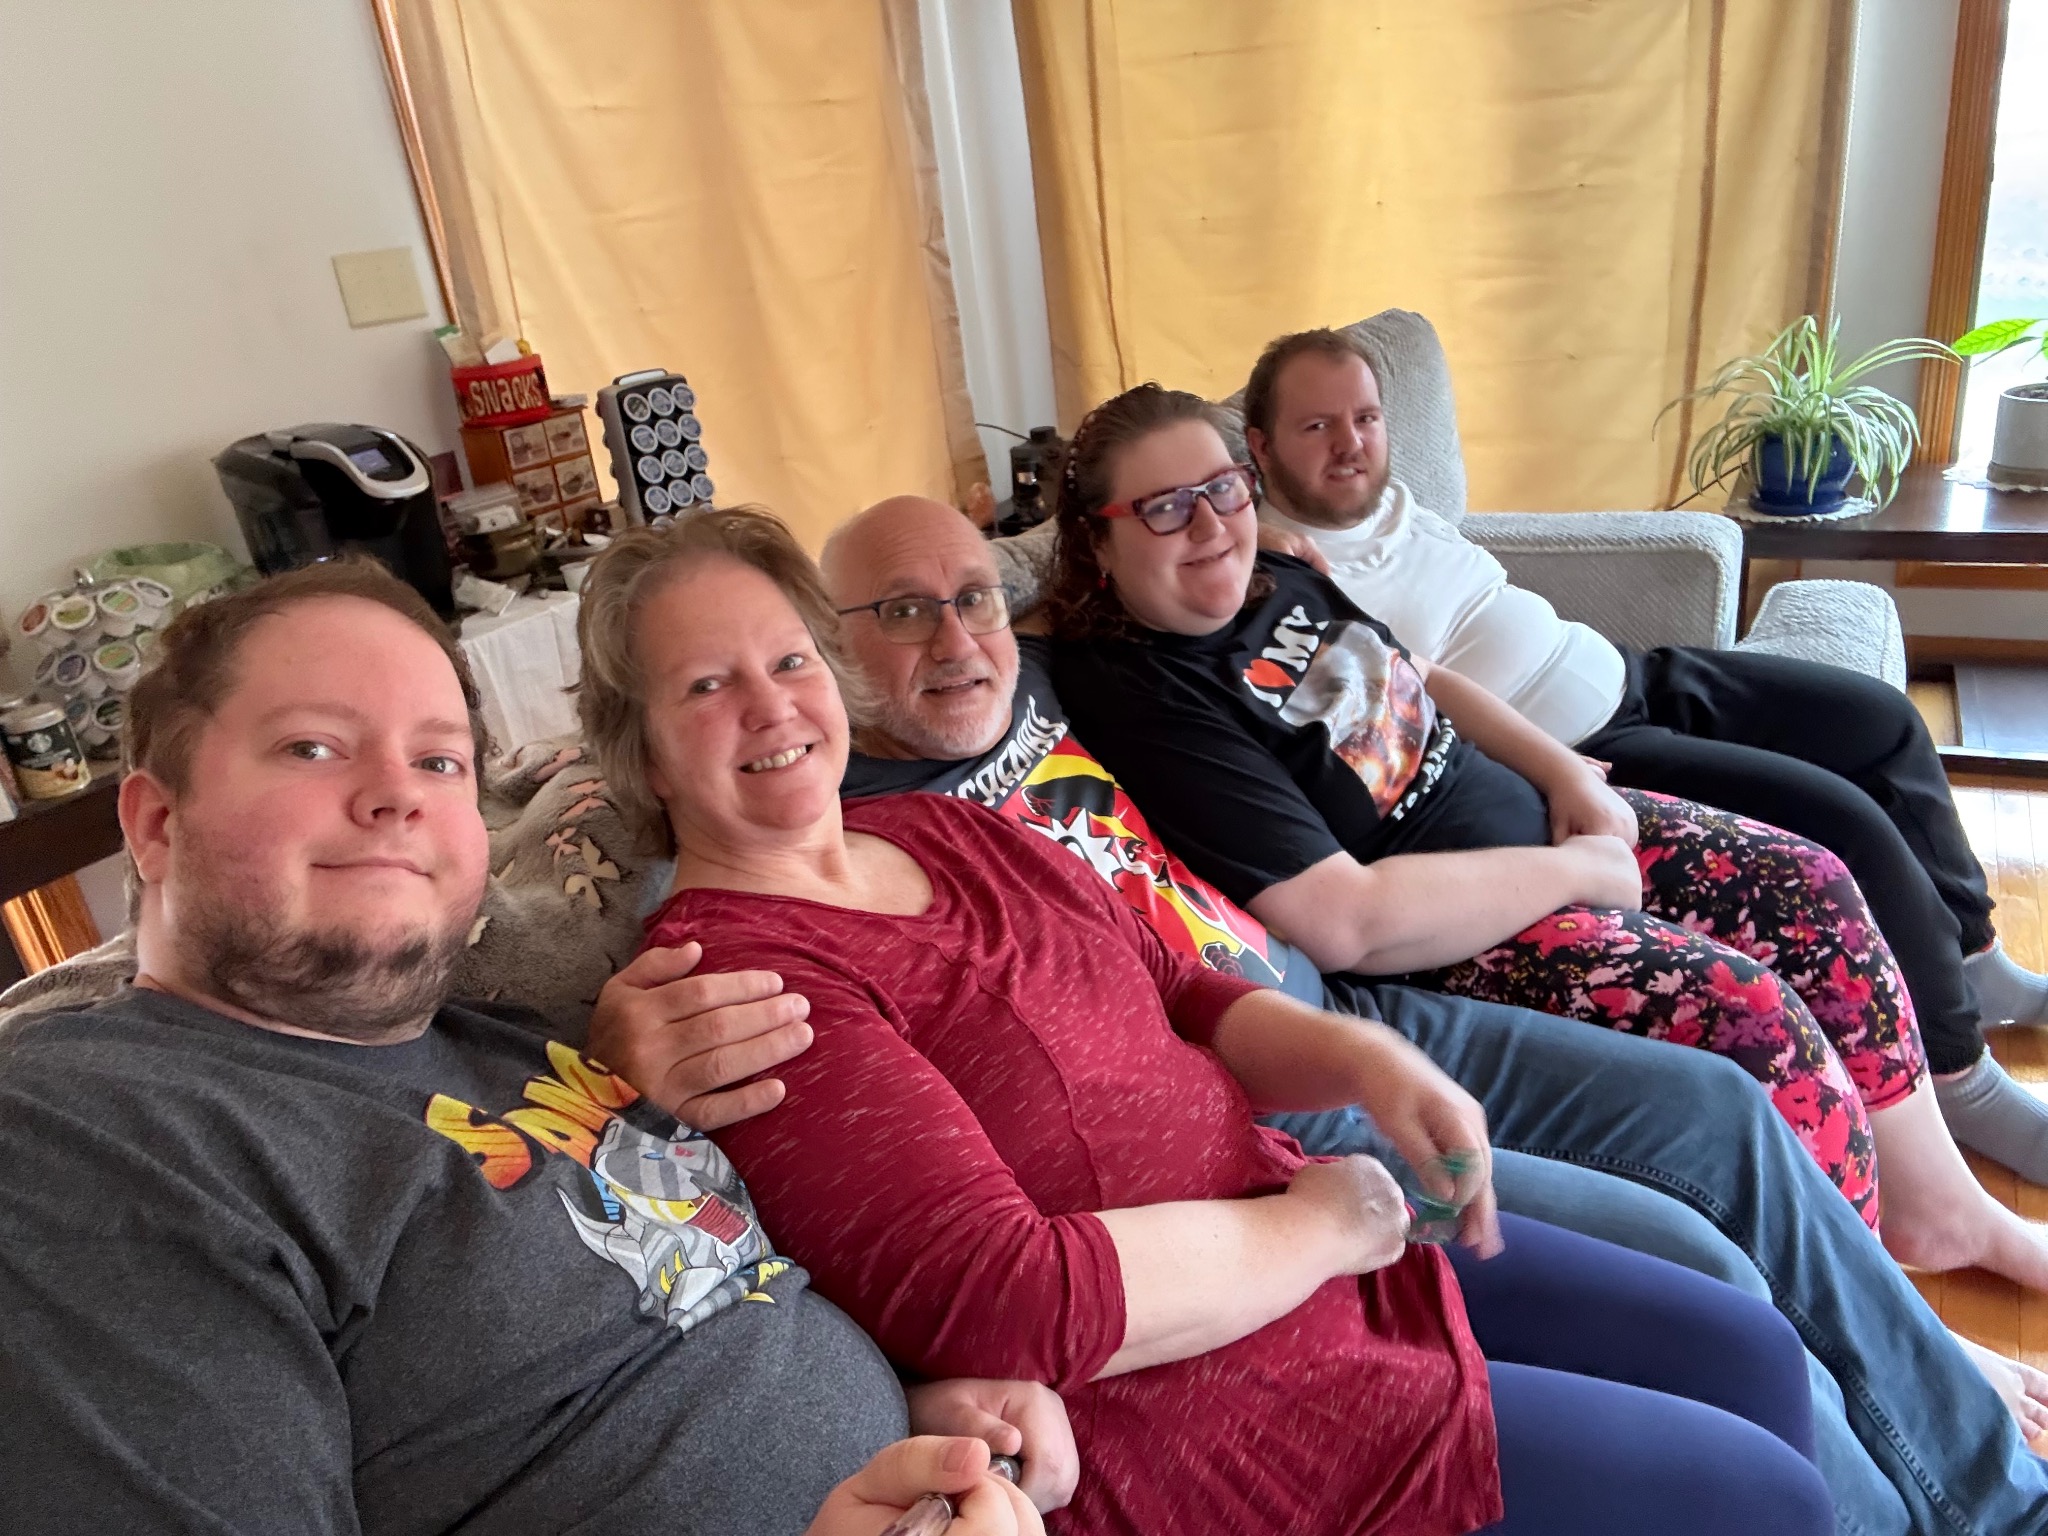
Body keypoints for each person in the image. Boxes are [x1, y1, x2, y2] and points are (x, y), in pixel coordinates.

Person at [800, 491, 2048, 1535]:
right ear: (830, 650)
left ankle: (1981, 1474)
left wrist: (1261, 545)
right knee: (1691, 1252)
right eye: (901, 612)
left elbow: (1122, 572)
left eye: (973, 599)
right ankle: (1928, 1488)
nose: (954, 637)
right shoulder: (851, 815)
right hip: (1248, 1119)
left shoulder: (1054, 669)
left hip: (1334, 1012)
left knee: (1721, 1106)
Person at [574, 506, 1838, 1536]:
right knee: (1761, 1498)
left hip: (1309, 1232)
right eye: (706, 685)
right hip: (1201, 1405)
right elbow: (1001, 1297)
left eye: (789, 660)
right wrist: (1323, 1225)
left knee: (1746, 1350)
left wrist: (1366, 1060)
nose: (771, 707)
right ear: (639, 747)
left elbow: (1181, 990)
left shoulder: (939, 825)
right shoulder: (732, 979)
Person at [0, 559, 1057, 1536]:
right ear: (156, 826)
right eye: (312, 747)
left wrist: (915, 1408)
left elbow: (686, 1323)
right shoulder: (90, 1131)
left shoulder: (516, 1042)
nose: (397, 794)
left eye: (439, 760)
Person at [1040, 382, 2048, 1300]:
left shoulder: (1270, 565)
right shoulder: (1142, 692)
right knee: (1753, 1021)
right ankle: (1872, 1311)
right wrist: (1571, 870)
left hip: (1540, 825)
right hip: (1458, 933)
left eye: (1222, 489)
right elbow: (1339, 921)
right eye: (1164, 508)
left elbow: (1425, 679)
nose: (1209, 525)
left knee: (1809, 883)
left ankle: (1941, 1208)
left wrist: (1564, 773)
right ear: (1096, 539)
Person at [1241, 325, 2048, 1185]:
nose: (1351, 444)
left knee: (1880, 721)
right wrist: (1545, 767)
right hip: (1586, 750)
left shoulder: (1394, 504)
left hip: (1631, 672)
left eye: (1365, 418)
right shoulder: (1273, 575)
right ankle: (1960, 1079)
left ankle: (1975, 964)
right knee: (1842, 822)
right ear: (1259, 448)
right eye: (1317, 426)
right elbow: (1388, 728)